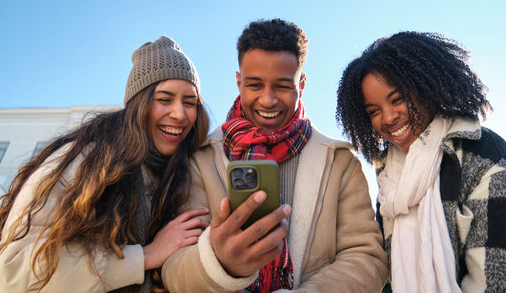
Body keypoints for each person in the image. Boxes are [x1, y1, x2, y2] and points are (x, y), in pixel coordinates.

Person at [161, 18, 388, 292]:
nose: (267, 100)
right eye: (254, 85)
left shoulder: (339, 162)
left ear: (301, 84)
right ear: (238, 81)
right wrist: (219, 263)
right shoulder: (201, 159)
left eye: (282, 86)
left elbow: (366, 259)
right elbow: (174, 270)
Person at [0, 36, 210, 292]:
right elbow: (12, 271)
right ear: (138, 104)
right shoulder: (87, 162)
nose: (180, 114)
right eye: (164, 99)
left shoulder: (179, 176)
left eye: (190, 102)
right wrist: (145, 256)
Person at [336, 31, 506, 292]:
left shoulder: (486, 161)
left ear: (426, 87)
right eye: (374, 111)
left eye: (398, 99)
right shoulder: (391, 181)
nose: (388, 117)